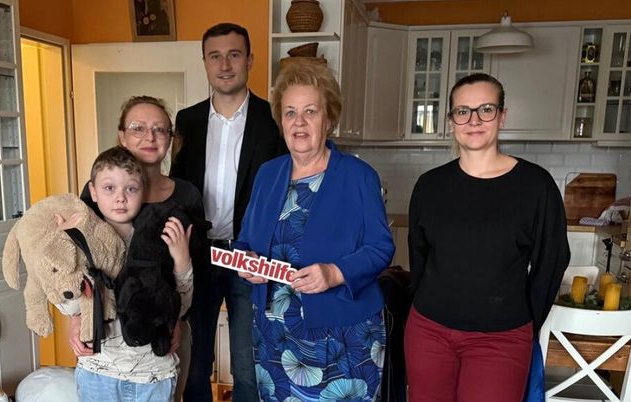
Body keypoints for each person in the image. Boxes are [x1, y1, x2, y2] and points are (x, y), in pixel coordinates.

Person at [404, 73, 570, 402]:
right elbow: (418, 257)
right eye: (463, 111)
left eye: (486, 109)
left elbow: (550, 262)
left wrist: (523, 321)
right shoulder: (429, 186)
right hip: (428, 332)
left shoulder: (536, 186)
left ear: (502, 115)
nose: (474, 120)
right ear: (451, 120)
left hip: (501, 339)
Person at [235, 60, 394, 401]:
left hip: (343, 336)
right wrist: (246, 261)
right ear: (281, 121)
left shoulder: (358, 175)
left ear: (329, 118)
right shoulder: (267, 174)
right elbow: (246, 240)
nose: (300, 122)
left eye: (311, 111)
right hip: (273, 334)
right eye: (290, 112)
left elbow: (381, 247)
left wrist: (335, 272)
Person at [170, 22, 287, 402]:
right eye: (214, 56)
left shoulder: (274, 121)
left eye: (233, 55)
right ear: (204, 62)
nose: (224, 65)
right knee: (195, 362)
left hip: (250, 257)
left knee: (248, 364)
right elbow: (175, 188)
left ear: (250, 60)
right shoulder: (185, 121)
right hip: (199, 254)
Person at [72, 96, 208, 401]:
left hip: (160, 350)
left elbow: (192, 273)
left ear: (171, 140)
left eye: (160, 130)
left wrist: (178, 322)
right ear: (122, 135)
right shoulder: (95, 195)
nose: (150, 137)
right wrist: (75, 318)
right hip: (105, 356)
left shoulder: (186, 195)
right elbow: (79, 268)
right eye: (138, 128)